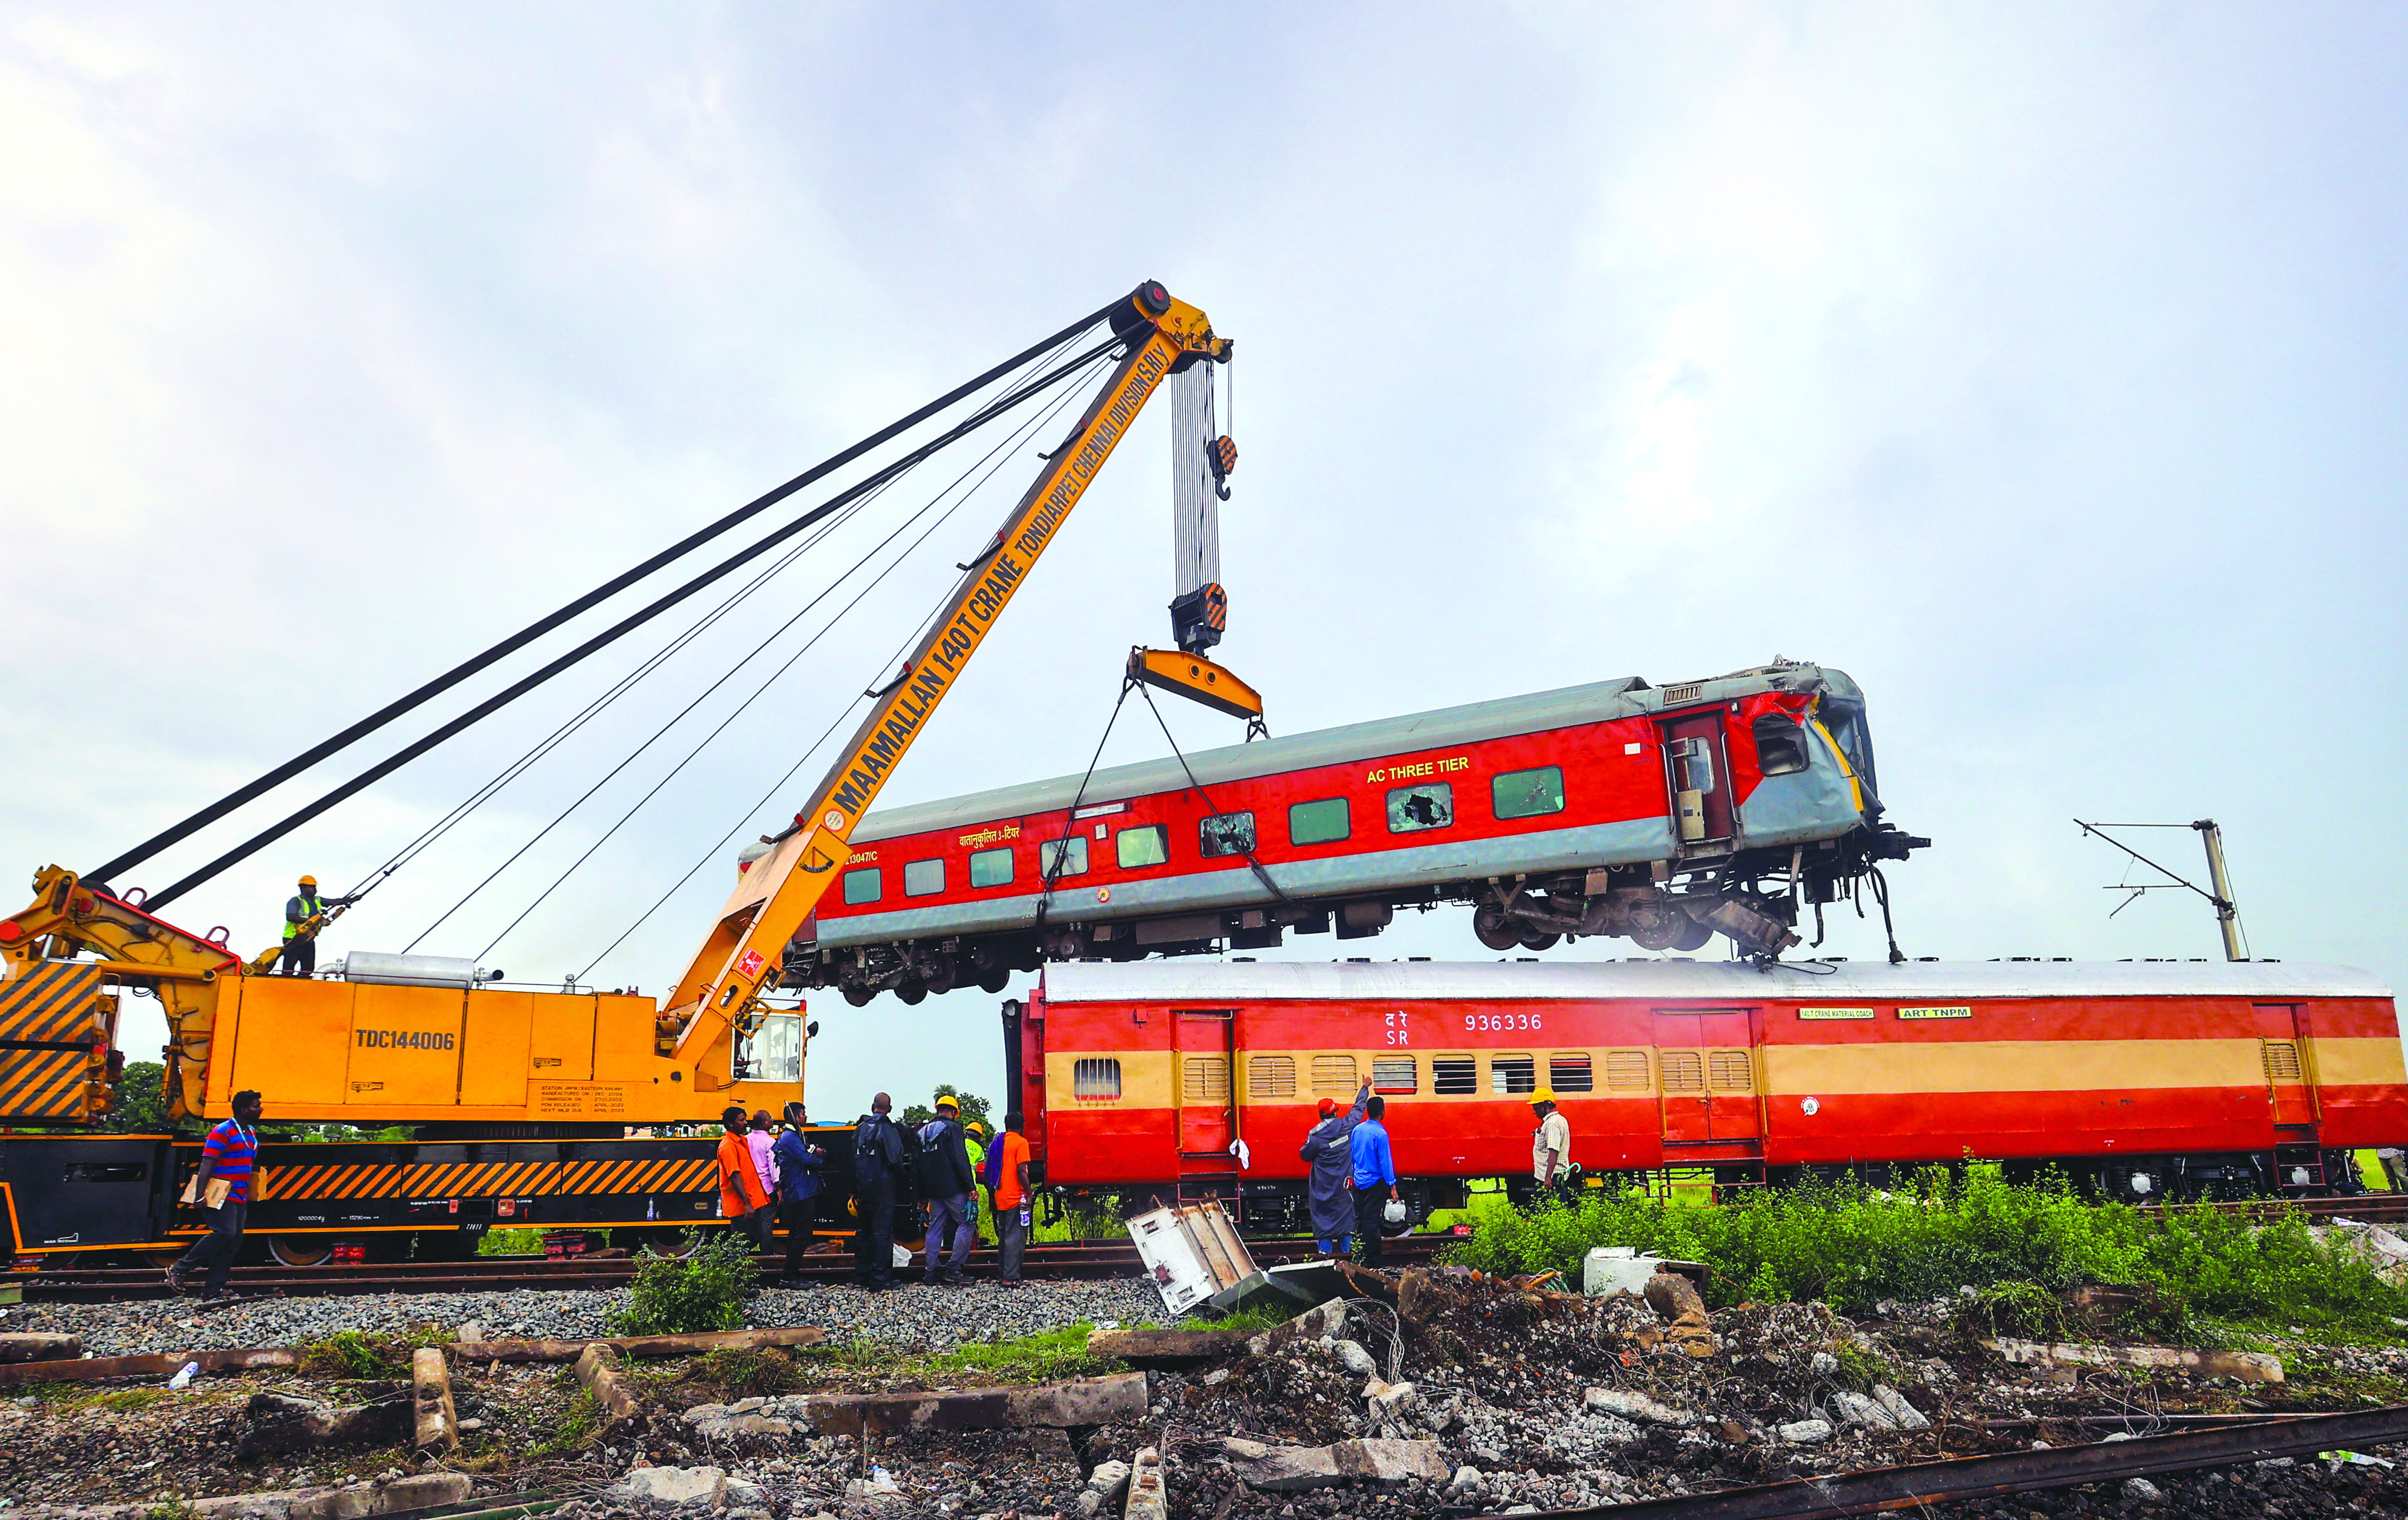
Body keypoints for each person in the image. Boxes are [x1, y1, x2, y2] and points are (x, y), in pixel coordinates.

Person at [167, 1089, 263, 1297]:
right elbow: (207, 1163)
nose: (261, 1109)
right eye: (256, 1106)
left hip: (240, 1194)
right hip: (221, 1194)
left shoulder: (250, 1133)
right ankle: (180, 1269)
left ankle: (213, 1289)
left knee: (233, 1241)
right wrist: (199, 1196)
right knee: (224, 1232)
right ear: (244, 1110)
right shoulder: (222, 1131)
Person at [1301, 1082, 1371, 1255]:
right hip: (1344, 1184)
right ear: (1335, 1112)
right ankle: (1347, 1260)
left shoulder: (1315, 1135)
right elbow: (1358, 1110)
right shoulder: (1346, 1125)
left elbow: (1305, 1156)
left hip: (1322, 1188)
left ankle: (1325, 1260)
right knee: (1346, 1220)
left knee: (1323, 1221)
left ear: (1321, 1115)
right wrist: (1365, 1088)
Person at [915, 1094, 977, 1287]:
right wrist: (970, 1187)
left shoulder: (922, 1132)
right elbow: (960, 1159)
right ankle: (954, 1270)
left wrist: (922, 1194)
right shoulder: (952, 1129)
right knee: (967, 1223)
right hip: (953, 1187)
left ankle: (931, 1273)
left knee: (935, 1228)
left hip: (933, 1190)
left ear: (938, 1109)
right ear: (953, 1112)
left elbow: (918, 1165)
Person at [851, 1092, 905, 1289]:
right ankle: (879, 1279)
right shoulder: (888, 1130)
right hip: (883, 1189)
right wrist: (902, 1179)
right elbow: (895, 1159)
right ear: (889, 1109)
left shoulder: (860, 1129)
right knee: (882, 1233)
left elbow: (853, 1161)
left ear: (872, 1106)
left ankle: (860, 1277)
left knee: (864, 1231)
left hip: (863, 1189)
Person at [771, 1102, 825, 1287]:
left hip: (800, 1190)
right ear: (795, 1116)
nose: (806, 1117)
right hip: (799, 1191)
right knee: (802, 1234)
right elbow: (806, 1158)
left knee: (797, 1234)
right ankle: (789, 1276)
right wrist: (821, 1156)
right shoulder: (790, 1137)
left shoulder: (793, 1136)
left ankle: (791, 1275)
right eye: (803, 1114)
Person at [1347, 1094, 1399, 1263]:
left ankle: (1359, 1255)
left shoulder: (1357, 1130)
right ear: (1383, 1113)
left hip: (1359, 1182)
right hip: (1375, 1183)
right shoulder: (1380, 1134)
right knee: (1372, 1223)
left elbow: (1354, 1156)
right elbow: (1386, 1162)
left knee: (1361, 1221)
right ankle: (1373, 1259)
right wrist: (1392, 1187)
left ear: (1368, 1112)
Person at [276, 875, 357, 978]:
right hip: (294, 938)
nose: (314, 889)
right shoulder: (296, 901)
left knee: (308, 968)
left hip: (309, 938)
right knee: (289, 967)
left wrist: (350, 900)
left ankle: (300, 982)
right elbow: (290, 917)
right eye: (311, 887)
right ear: (303, 888)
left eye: (314, 887)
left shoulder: (317, 900)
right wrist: (312, 921)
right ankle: (286, 982)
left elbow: (333, 902)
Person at [716, 1105, 772, 1248]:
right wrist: (747, 1203)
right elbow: (734, 1176)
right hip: (741, 1203)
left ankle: (730, 1263)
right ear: (730, 1124)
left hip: (753, 1199)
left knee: (756, 1235)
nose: (746, 1123)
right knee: (741, 1241)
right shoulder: (728, 1146)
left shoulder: (741, 1141)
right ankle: (729, 1264)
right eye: (742, 1120)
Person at [991, 1111, 1033, 1285]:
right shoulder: (1021, 1143)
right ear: (1021, 1126)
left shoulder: (998, 1143)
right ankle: (1010, 1278)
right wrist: (1029, 1193)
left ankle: (1003, 1274)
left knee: (1005, 1237)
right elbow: (1021, 1170)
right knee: (1015, 1238)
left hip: (1000, 1197)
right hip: (1016, 1198)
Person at [746, 1110, 782, 1247]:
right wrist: (779, 1189)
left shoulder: (746, 1140)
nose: (773, 1120)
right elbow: (774, 1167)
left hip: (750, 1187)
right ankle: (766, 1255)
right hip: (767, 1188)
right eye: (770, 1118)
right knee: (767, 1222)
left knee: (751, 1223)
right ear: (764, 1123)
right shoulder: (769, 1141)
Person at [1532, 1087, 1574, 1201]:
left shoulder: (1552, 1124)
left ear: (1546, 1106)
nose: (1534, 1112)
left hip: (1550, 1177)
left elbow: (1554, 1152)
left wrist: (1548, 1179)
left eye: (1536, 1108)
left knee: (1551, 1210)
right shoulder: (1558, 1120)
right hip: (1548, 1176)